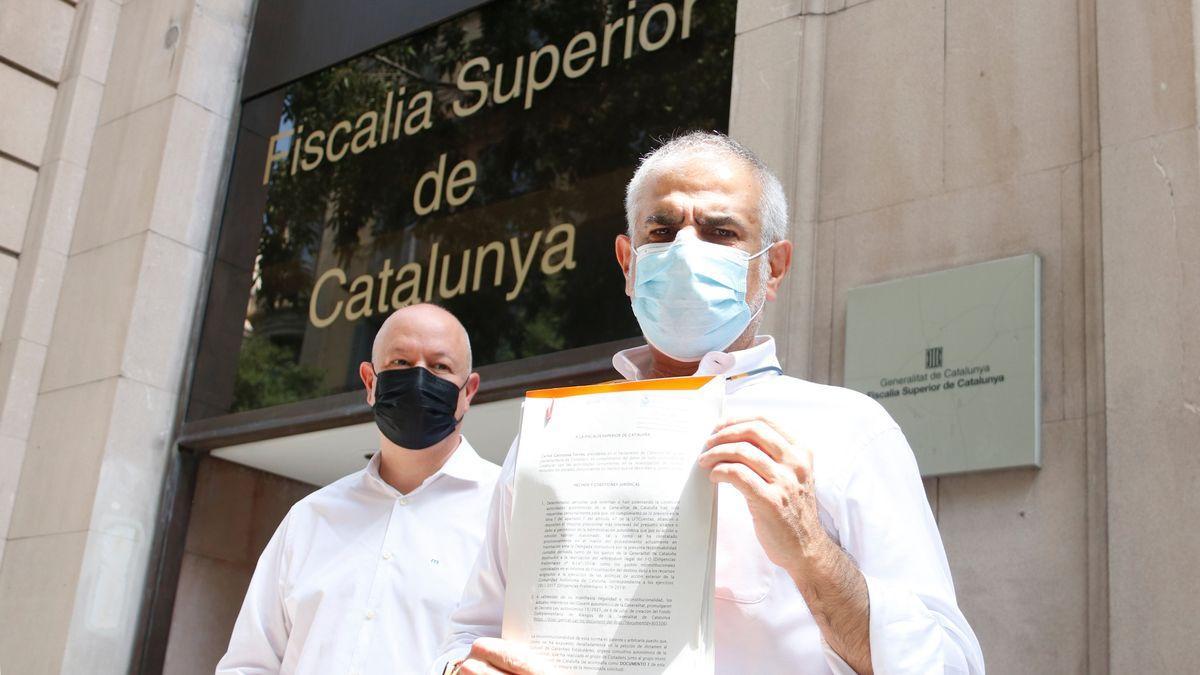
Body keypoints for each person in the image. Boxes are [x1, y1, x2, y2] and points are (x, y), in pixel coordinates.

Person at [431, 132, 985, 674]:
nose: (685, 251)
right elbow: (470, 634)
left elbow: (949, 664)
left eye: (721, 232)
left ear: (773, 268)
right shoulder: (553, 433)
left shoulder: (850, 430)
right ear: (627, 262)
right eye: (662, 230)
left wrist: (811, 553)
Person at [218, 303, 501, 674]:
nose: (419, 378)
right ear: (370, 382)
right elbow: (249, 664)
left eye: (439, 367)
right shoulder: (309, 518)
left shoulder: (506, 513)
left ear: (469, 391)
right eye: (400, 362)